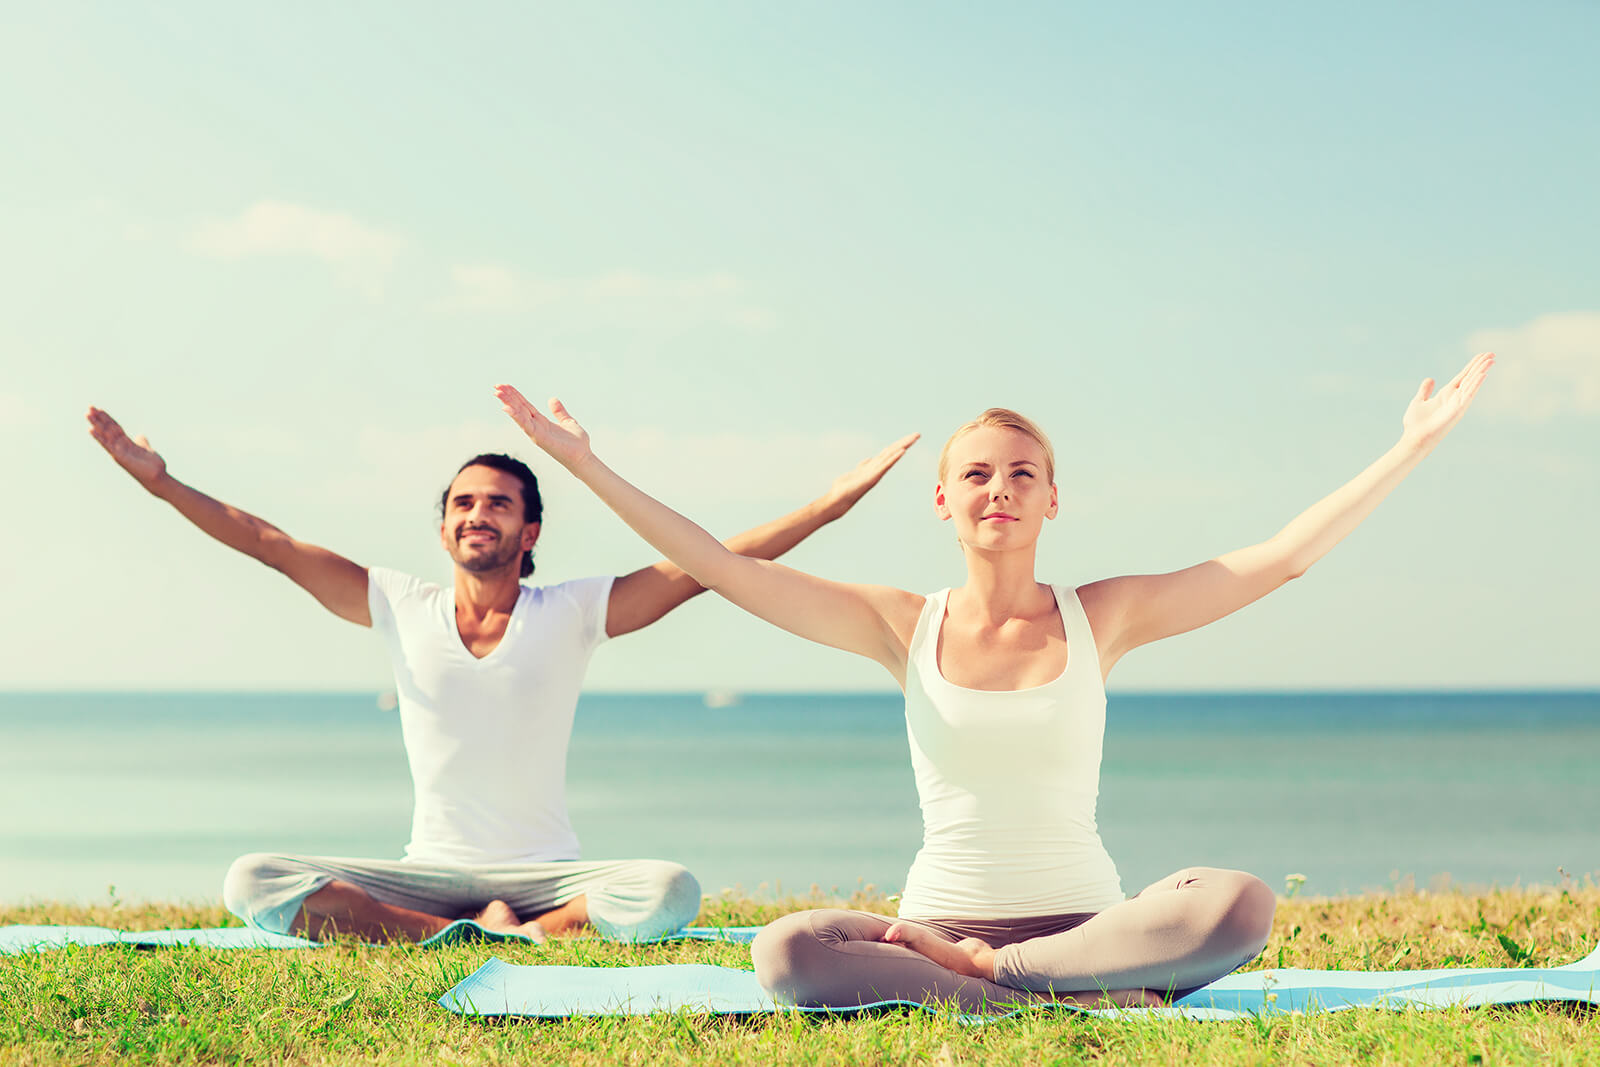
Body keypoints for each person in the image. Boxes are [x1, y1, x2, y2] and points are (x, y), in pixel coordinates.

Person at [493, 350, 1495, 1009]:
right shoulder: (900, 622)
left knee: (1237, 902)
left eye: (1021, 473)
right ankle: (1048, 987)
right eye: (976, 473)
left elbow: (1279, 557)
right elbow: (721, 565)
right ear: (943, 500)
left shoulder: (1105, 613)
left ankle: (1001, 981)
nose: (999, 489)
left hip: (1089, 924)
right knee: (785, 952)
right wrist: (585, 465)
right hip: (934, 923)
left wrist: (1408, 448)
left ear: (1052, 498)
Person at [86, 407, 917, 943]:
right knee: (252, 879)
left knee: (669, 890)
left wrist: (833, 501)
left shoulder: (574, 610)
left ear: (530, 530)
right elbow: (267, 541)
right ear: (444, 526)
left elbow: (712, 564)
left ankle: (530, 926)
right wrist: (164, 486)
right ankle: (454, 930)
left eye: (497, 504)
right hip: (427, 869)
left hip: (550, 869)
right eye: (463, 504)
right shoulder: (396, 602)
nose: (477, 513)